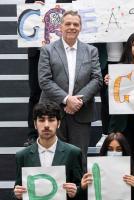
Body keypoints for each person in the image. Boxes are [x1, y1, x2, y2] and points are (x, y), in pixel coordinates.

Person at [38, 10, 103, 165]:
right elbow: (44, 80)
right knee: (53, 158)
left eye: (75, 24)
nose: (71, 27)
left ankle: (78, 190)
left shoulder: (91, 51)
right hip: (53, 113)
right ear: (60, 27)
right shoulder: (47, 50)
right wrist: (67, 100)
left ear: (80, 27)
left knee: (79, 158)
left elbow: (97, 79)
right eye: (68, 24)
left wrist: (77, 101)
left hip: (81, 112)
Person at [23, 0, 74, 147]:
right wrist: (33, 5)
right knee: (35, 92)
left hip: (61, 51)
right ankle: (33, 134)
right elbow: (26, 18)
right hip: (38, 51)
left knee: (61, 90)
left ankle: (60, 132)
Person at [104, 32, 134, 176]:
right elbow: (110, 100)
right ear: (129, 47)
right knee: (119, 165)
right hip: (121, 124)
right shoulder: (117, 69)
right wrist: (109, 85)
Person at [13, 101, 83, 200]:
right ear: (35, 124)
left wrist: (76, 191)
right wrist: (17, 194)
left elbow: (80, 188)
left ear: (58, 123)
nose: (46, 125)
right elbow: (19, 187)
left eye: (51, 120)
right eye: (41, 120)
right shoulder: (22, 156)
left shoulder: (73, 152)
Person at [81, 132, 134, 200]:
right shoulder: (92, 176)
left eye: (119, 149)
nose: (114, 153)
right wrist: (82, 189)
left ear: (125, 151)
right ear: (105, 151)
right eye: (110, 149)